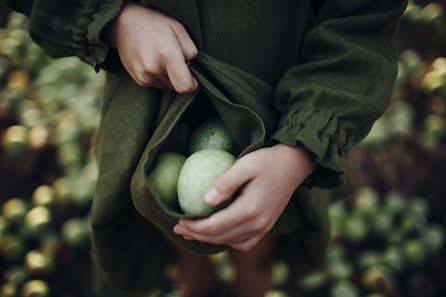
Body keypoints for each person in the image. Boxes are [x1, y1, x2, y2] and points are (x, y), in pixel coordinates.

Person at [2, 0, 408, 296]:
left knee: (257, 229)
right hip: (153, 100)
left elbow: (363, 20)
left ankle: (249, 286)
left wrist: (298, 150)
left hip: (278, 112)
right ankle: (194, 285)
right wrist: (114, 18)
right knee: (178, 222)